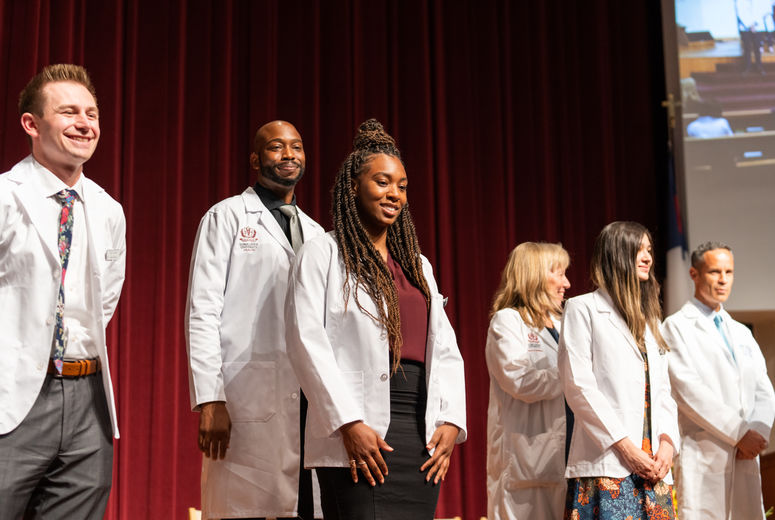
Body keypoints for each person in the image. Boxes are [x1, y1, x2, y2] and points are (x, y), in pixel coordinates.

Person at [285, 119, 467, 519]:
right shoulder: (322, 254)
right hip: (357, 434)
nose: (394, 194)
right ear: (353, 186)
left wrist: (451, 420)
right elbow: (305, 342)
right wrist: (348, 423)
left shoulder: (418, 266)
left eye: (402, 186)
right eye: (382, 182)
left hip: (419, 437)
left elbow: (447, 350)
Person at [0, 64, 126, 518]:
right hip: (12, 396)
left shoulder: (109, 209)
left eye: (91, 113)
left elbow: (103, 300)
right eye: (69, 112)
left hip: (87, 400)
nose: (85, 123)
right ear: (31, 125)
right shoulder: (4, 196)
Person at [185, 120, 324, 520]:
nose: (288, 155)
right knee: (242, 508)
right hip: (244, 396)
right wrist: (211, 397)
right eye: (276, 147)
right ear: (255, 159)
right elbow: (202, 309)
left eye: (296, 147)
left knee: (302, 508)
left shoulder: (316, 234)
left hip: (306, 402)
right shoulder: (226, 217)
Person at [559, 221, 679, 520]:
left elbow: (663, 391)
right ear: (615, 255)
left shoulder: (649, 319)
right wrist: (626, 448)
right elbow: (579, 386)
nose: (648, 258)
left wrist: (667, 444)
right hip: (609, 464)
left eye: (649, 250)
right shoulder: (582, 309)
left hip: (654, 468)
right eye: (638, 250)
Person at [662, 242, 775, 520]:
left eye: (729, 272)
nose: (723, 279)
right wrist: (739, 434)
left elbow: (763, 387)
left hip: (746, 456)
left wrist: (758, 433)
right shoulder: (675, 327)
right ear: (694, 274)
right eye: (714, 272)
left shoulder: (740, 332)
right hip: (705, 454)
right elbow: (687, 389)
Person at [485, 242, 571, 520]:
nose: (566, 283)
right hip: (525, 462)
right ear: (533, 275)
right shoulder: (507, 321)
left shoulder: (563, 324)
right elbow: (521, 381)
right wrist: (575, 376)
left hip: (566, 458)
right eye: (558, 273)